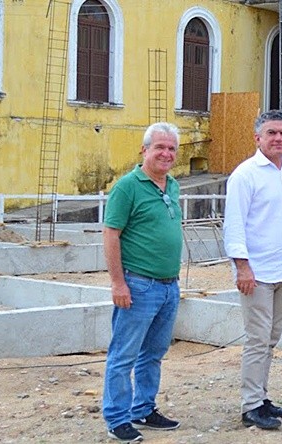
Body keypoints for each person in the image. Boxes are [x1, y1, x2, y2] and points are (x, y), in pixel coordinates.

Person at [223, 109, 282, 430]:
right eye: (272, 133)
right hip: (257, 274)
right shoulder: (245, 175)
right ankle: (251, 405)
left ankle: (261, 397)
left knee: (272, 338)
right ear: (257, 138)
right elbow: (234, 224)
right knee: (257, 339)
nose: (278, 138)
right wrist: (242, 267)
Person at [102, 122, 184, 443]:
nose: (166, 153)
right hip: (138, 286)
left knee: (153, 352)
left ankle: (143, 408)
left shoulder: (173, 186)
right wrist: (118, 284)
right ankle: (117, 418)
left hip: (168, 286)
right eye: (159, 147)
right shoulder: (128, 187)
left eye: (171, 148)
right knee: (123, 354)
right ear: (144, 150)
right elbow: (111, 235)